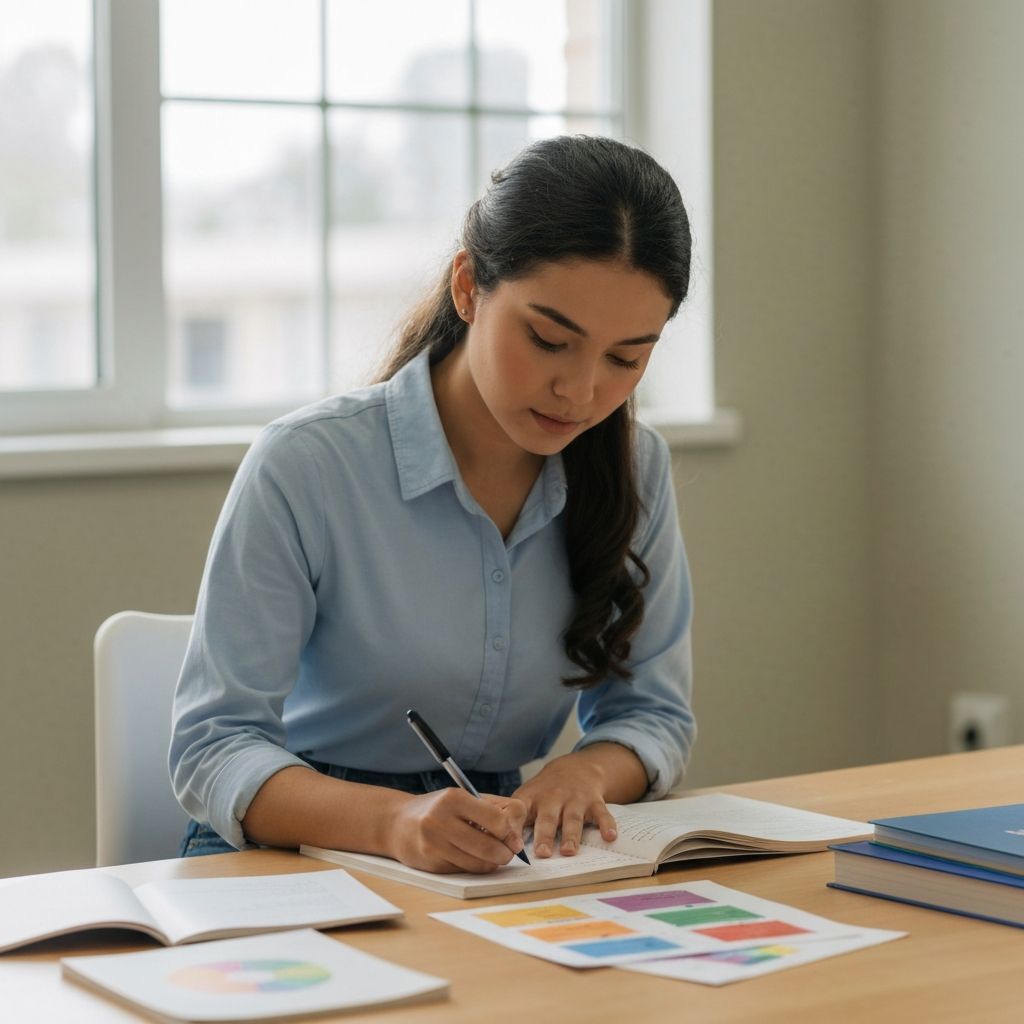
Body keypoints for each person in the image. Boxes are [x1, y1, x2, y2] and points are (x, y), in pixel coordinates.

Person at [170, 134, 696, 873]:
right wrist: (394, 823)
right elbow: (211, 746)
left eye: (625, 359)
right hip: (296, 845)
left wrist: (580, 773)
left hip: (499, 852)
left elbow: (653, 715)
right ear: (467, 287)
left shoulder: (637, 468)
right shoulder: (308, 464)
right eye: (549, 340)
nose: (580, 392)